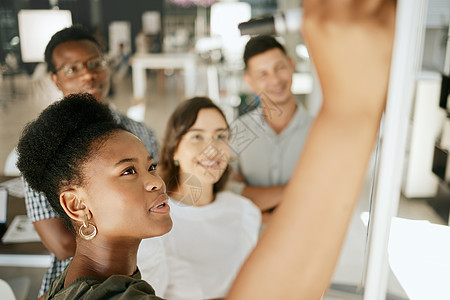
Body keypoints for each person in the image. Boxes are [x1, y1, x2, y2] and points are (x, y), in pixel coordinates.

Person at [16, 0, 396, 298]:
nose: (155, 182)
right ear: (77, 205)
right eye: (129, 172)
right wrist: (350, 109)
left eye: (150, 167)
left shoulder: (94, 278)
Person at [21, 25, 162, 298]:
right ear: (55, 78)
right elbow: (62, 245)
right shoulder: (50, 151)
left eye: (95, 63)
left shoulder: (142, 132)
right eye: (72, 68)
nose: (88, 74)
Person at [152, 97, 261, 299]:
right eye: (197, 137)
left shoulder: (246, 212)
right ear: (174, 149)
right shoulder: (154, 221)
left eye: (220, 136)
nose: (212, 149)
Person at [229, 35, 314, 222]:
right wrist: (302, 189)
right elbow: (228, 193)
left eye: (280, 68)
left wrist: (256, 201)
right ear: (249, 81)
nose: (275, 80)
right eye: (263, 74)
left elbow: (325, 195)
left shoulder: (318, 132)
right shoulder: (238, 131)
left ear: (291, 65)